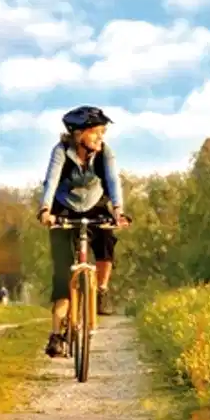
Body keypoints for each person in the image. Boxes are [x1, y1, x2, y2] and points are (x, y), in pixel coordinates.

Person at [37, 105, 130, 358]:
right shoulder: (60, 152)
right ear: (78, 135)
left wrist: (118, 212)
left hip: (95, 204)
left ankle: (101, 290)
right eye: (96, 132)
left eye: (103, 132)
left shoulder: (104, 154)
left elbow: (112, 181)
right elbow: (51, 181)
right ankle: (57, 334)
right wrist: (45, 210)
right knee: (62, 273)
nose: (101, 138)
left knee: (107, 238)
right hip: (63, 208)